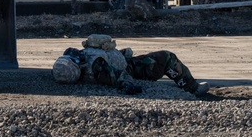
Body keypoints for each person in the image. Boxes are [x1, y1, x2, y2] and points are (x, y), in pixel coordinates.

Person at [52, 34, 210, 96]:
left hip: (123, 61)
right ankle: (192, 88)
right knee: (167, 57)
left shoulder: (82, 63)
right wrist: (128, 85)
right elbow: (120, 75)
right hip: (131, 68)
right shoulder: (97, 67)